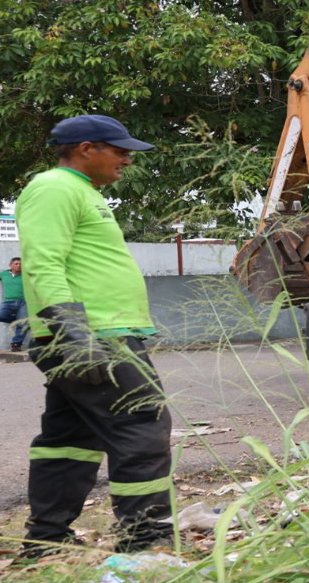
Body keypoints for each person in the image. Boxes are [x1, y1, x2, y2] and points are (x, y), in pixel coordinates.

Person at [15, 114, 173, 556]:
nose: (127, 159)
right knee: (142, 426)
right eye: (118, 149)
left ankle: (45, 542)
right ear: (87, 149)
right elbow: (43, 262)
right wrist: (72, 330)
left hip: (90, 334)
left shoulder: (78, 192)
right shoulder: (54, 187)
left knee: (69, 440)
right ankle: (147, 541)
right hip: (93, 335)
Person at [0, 257, 28, 351]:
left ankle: (16, 344)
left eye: (20, 264)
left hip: (23, 303)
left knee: (23, 324)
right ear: (10, 265)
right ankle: (17, 320)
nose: (19, 265)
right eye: (16, 264)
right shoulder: (3, 274)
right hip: (8, 302)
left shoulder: (26, 275)